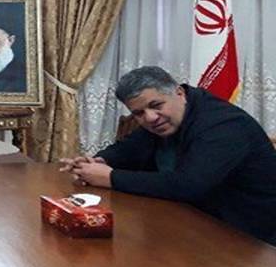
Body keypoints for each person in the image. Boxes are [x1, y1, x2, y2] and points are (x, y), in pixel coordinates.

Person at [61, 66, 276, 244]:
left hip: (250, 238)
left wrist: (110, 177)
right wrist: (98, 162)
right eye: (139, 113)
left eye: (156, 105)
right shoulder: (167, 119)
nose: (150, 118)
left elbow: (189, 185)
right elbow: (129, 148)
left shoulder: (224, 125)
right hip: (190, 222)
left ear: (179, 93)